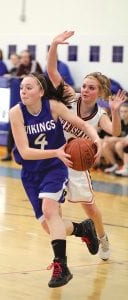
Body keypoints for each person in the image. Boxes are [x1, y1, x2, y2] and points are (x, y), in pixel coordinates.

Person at [10, 71, 101, 288]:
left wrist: (96, 138)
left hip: (55, 168)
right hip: (32, 172)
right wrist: (56, 151)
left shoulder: (53, 107)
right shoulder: (16, 113)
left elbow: (82, 125)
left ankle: (61, 267)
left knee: (51, 211)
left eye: (29, 87)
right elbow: (24, 152)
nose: (24, 91)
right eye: (22, 88)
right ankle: (83, 229)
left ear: (41, 91)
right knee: (50, 227)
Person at [46, 30, 127, 261]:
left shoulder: (100, 113)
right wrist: (54, 45)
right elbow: (52, 71)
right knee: (53, 206)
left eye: (92, 87)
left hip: (78, 165)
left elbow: (115, 132)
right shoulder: (70, 97)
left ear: (100, 92)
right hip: (56, 159)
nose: (87, 90)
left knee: (90, 209)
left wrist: (114, 111)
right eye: (85, 85)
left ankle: (101, 236)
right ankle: (59, 257)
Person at [102, 102, 128, 173]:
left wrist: (115, 139)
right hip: (122, 143)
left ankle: (126, 166)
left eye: (125, 111)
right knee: (105, 145)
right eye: (121, 111)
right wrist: (109, 139)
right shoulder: (120, 122)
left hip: (124, 145)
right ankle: (115, 165)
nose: (123, 113)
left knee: (118, 145)